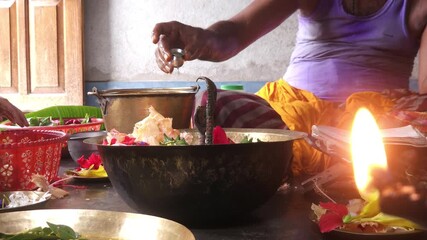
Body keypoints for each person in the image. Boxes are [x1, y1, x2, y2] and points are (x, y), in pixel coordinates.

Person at [152, 0, 427, 175]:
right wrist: (199, 39)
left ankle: (290, 166)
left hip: (376, 122)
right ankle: (335, 166)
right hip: (291, 118)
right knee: (215, 106)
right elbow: (235, 32)